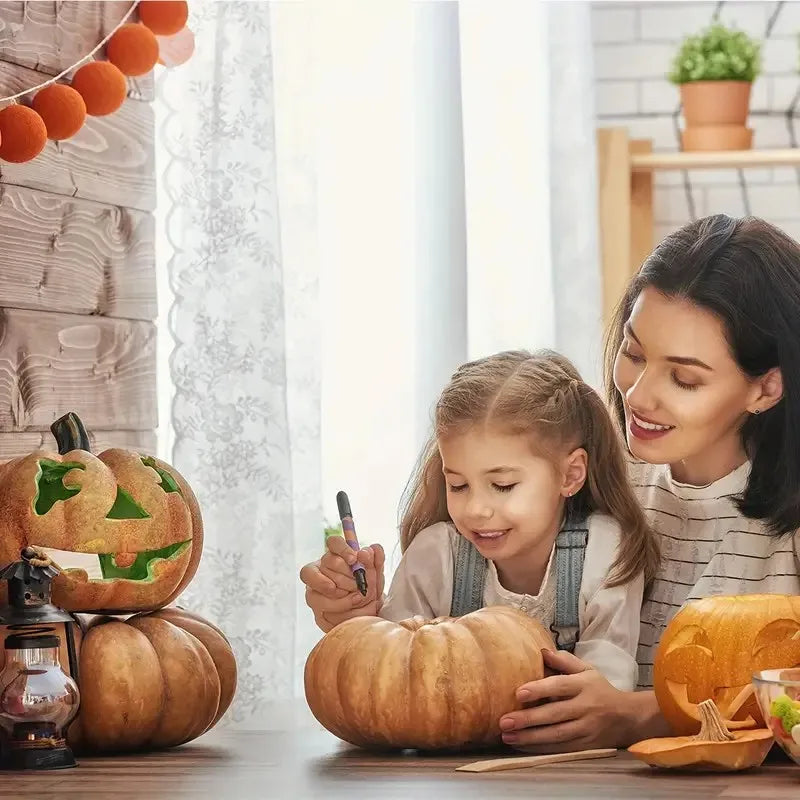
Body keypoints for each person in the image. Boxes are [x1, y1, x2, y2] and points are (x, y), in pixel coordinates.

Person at [301, 349, 659, 693]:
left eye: (502, 486)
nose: (475, 509)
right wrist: (360, 619)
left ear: (570, 475)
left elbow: (607, 689)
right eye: (458, 485)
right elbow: (389, 675)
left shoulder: (604, 552)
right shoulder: (436, 555)